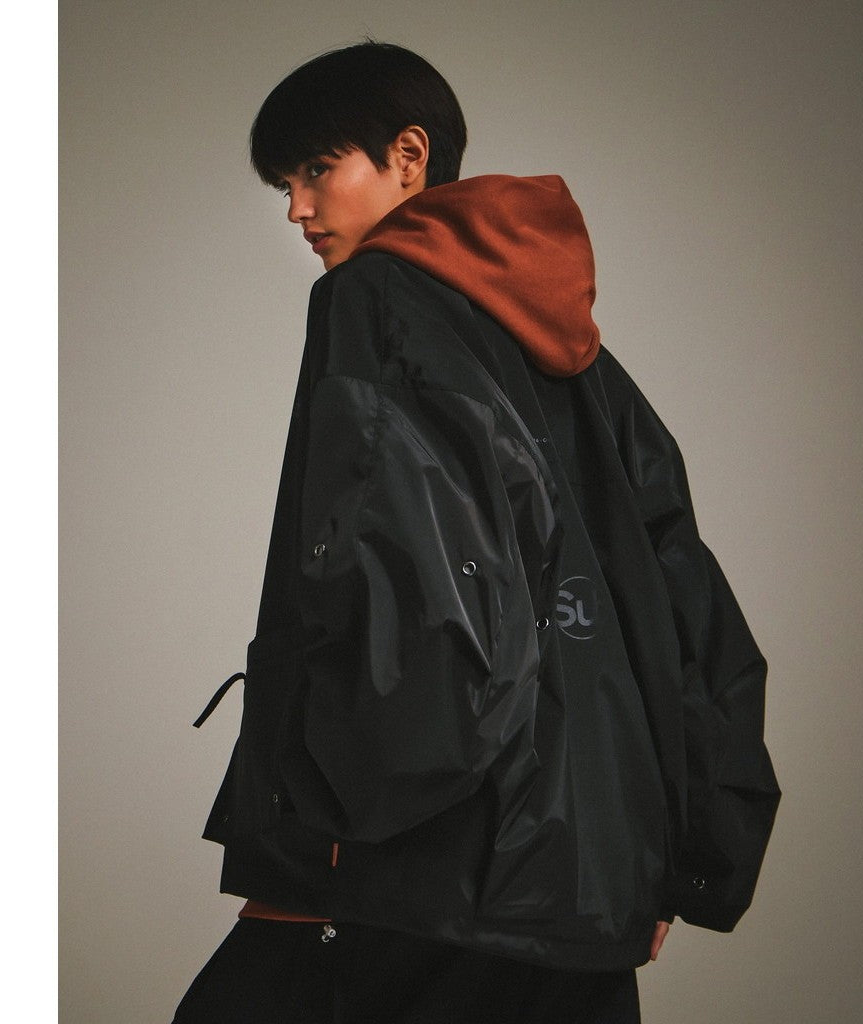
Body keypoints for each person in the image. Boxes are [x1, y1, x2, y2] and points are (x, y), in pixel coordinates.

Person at [174, 41, 780, 1024]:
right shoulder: (587, 364)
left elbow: (397, 584)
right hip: (593, 876)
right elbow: (686, 608)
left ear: (408, 156)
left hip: (428, 864)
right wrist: (672, 856)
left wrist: (321, 830)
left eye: (318, 169)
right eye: (287, 184)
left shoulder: (372, 298)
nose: (297, 209)